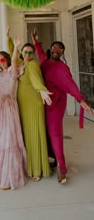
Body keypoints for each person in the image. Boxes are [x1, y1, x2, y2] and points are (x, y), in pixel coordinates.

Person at [31, 29, 94, 184]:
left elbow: (71, 86)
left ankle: (61, 166)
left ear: (62, 52)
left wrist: (81, 100)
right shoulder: (45, 62)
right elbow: (39, 52)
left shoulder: (62, 68)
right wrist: (35, 41)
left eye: (59, 48)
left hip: (57, 104)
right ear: (50, 49)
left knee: (55, 133)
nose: (56, 49)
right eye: (54, 47)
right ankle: (51, 159)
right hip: (44, 102)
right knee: (44, 131)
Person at [0, 37, 27, 190]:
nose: (1, 62)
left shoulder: (11, 71)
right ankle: (2, 170)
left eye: (3, 59)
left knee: (10, 139)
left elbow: (14, 62)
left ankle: (10, 175)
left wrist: (15, 48)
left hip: (9, 106)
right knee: (2, 138)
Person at [17, 42, 52, 181]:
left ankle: (37, 169)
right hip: (24, 104)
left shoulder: (32, 65)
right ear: (21, 53)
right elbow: (12, 53)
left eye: (30, 53)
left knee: (34, 135)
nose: (27, 55)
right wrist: (9, 40)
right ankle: (30, 166)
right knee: (27, 134)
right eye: (25, 52)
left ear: (33, 54)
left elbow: (36, 80)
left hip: (33, 103)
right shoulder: (21, 63)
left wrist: (42, 91)